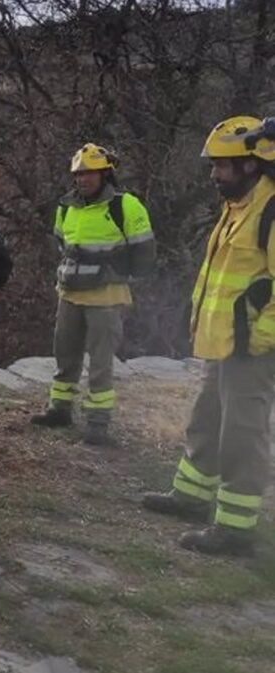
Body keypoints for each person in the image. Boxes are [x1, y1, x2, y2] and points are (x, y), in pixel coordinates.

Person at [142, 116, 275, 556]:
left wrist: (261, 338)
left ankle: (236, 529)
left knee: (242, 432)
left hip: (253, 349)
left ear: (251, 165)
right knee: (206, 420)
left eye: (222, 165)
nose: (214, 174)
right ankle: (192, 497)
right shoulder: (239, 205)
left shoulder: (270, 210)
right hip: (226, 342)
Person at [30, 143, 155, 445]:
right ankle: (60, 410)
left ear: (105, 175)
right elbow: (62, 243)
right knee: (65, 355)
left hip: (106, 296)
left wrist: (124, 273)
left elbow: (144, 250)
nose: (83, 180)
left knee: (100, 362)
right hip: (70, 293)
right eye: (78, 174)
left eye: (89, 174)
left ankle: (98, 423)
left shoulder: (124, 206)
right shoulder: (66, 206)